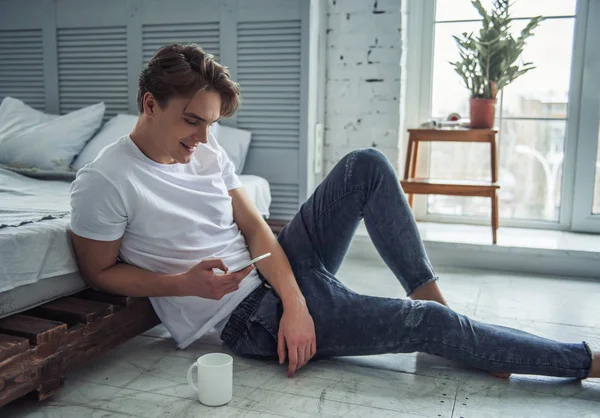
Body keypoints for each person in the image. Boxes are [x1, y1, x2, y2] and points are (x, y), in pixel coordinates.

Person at [69, 43, 599, 380]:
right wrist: (185, 285)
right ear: (148, 104)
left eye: (210, 123)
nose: (204, 138)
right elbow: (99, 271)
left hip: (279, 278)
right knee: (431, 326)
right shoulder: (106, 179)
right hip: (250, 318)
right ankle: (583, 361)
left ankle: (434, 303)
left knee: (365, 164)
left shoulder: (206, 152)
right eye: (192, 121)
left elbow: (255, 229)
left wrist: (296, 298)